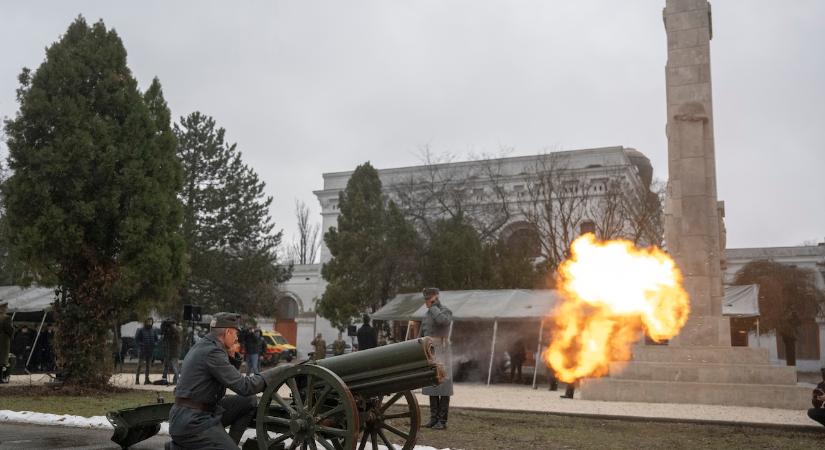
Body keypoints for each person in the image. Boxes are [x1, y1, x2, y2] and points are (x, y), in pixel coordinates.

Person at [168, 312, 282, 449]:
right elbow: (244, 387)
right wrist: (281, 371)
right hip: (193, 422)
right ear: (228, 332)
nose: (236, 339)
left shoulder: (206, 345)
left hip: (200, 413)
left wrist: (232, 356)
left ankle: (227, 443)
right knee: (248, 395)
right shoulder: (212, 352)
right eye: (235, 334)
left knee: (248, 401)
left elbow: (227, 379)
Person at [419, 287, 453, 430]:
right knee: (431, 384)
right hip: (430, 352)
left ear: (435, 298)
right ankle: (433, 419)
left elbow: (442, 322)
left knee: (443, 386)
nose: (426, 302)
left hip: (443, 351)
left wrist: (434, 306)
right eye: (426, 299)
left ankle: (442, 420)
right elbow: (422, 333)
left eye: (428, 299)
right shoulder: (426, 314)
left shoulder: (445, 311)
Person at [135, 317, 158, 385]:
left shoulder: (153, 330)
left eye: (151, 321)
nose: (149, 322)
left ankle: (146, 379)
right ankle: (137, 379)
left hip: (150, 350)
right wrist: (142, 345)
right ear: (145, 322)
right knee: (140, 365)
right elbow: (136, 340)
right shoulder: (140, 330)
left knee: (148, 366)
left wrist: (155, 344)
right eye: (148, 321)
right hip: (142, 350)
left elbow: (156, 339)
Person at [162, 320, 182, 384]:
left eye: (172, 324)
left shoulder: (176, 331)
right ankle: (164, 379)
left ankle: (177, 380)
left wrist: (171, 328)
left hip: (174, 352)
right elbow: (164, 337)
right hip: (168, 351)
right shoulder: (169, 331)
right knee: (166, 366)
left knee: (175, 366)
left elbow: (177, 339)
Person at [0, 302, 14, 382]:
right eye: (6, 307)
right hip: (2, 342)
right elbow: (10, 330)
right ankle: (1, 378)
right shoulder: (6, 318)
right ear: (3, 308)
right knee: (2, 361)